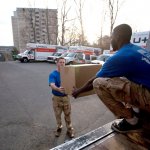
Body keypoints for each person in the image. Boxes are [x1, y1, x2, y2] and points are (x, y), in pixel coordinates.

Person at [72, 24, 150, 133]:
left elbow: (93, 81)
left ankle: (132, 122)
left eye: (112, 37)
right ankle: (139, 112)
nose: (111, 40)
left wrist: (78, 91)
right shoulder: (139, 50)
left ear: (118, 37)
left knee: (99, 83)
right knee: (126, 79)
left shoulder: (121, 56)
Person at [49, 57, 75, 138]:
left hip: (65, 97)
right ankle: (59, 127)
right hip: (56, 98)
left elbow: (72, 82)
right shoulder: (53, 74)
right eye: (60, 62)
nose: (62, 64)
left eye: (63, 62)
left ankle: (70, 129)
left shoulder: (67, 73)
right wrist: (57, 88)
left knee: (68, 114)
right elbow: (52, 84)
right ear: (57, 63)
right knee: (57, 114)